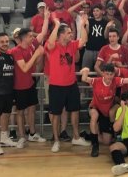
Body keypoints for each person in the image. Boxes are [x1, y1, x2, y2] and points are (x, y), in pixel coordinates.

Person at [45, 15, 91, 153]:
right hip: (56, 85)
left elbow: (84, 40)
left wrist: (83, 25)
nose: (71, 34)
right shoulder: (53, 46)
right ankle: (57, 140)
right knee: (56, 114)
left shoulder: (71, 45)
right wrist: (57, 24)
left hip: (71, 85)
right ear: (61, 35)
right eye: (69, 32)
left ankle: (76, 137)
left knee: (75, 111)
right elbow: (51, 42)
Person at [81, 64, 128, 157]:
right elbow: (84, 79)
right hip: (95, 107)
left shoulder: (116, 81)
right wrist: (85, 71)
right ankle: (95, 146)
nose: (109, 76)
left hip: (106, 112)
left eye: (111, 74)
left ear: (113, 74)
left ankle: (87, 135)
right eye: (107, 74)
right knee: (94, 116)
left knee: (106, 141)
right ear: (103, 74)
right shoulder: (96, 81)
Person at [11, 26, 49, 149]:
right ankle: (22, 137)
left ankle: (32, 133)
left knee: (32, 109)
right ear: (23, 38)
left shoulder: (31, 45)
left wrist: (47, 18)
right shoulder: (16, 50)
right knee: (20, 112)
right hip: (19, 86)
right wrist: (37, 54)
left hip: (30, 84)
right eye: (30, 36)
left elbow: (42, 34)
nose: (32, 37)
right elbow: (25, 68)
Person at [82, 4, 108, 70]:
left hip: (101, 50)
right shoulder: (89, 21)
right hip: (89, 49)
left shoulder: (106, 22)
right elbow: (86, 35)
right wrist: (86, 25)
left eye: (97, 11)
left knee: (100, 70)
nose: (95, 12)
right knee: (85, 70)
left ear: (102, 11)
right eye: (94, 11)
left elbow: (106, 36)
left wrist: (107, 27)